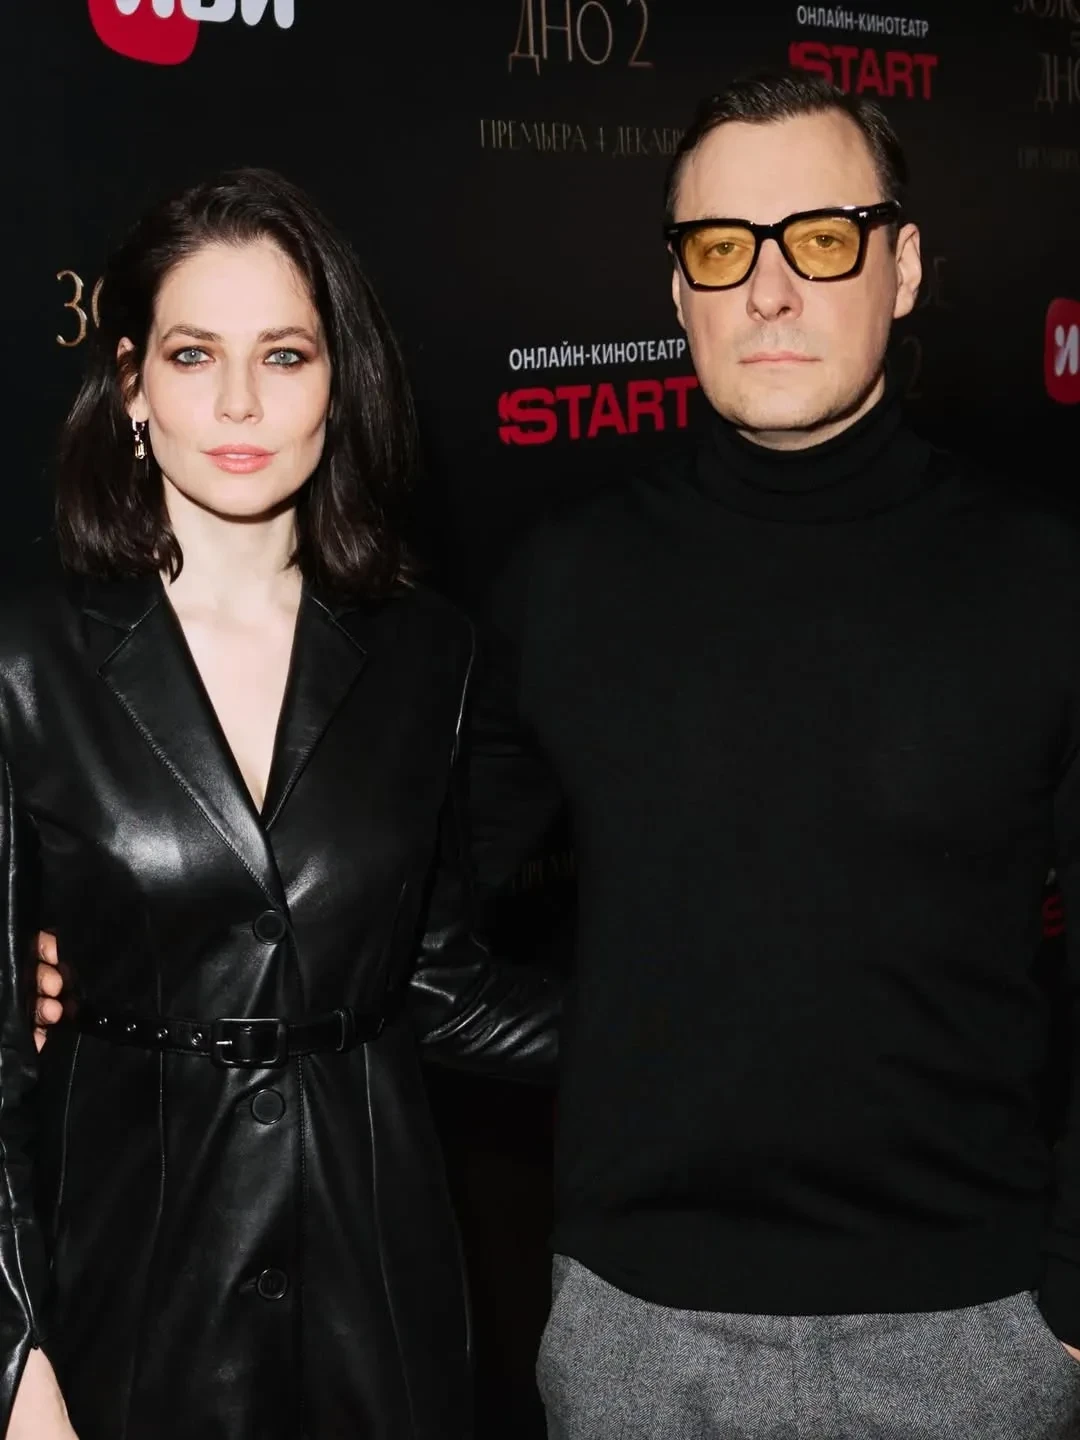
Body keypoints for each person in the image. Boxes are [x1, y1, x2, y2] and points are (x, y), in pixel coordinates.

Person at [36, 73, 1080, 1438]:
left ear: (907, 265)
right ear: (679, 289)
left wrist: (1066, 1303)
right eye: (724, 247)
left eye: (823, 238)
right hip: (638, 1334)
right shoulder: (567, 585)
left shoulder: (1044, 583)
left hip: (975, 1331)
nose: (771, 289)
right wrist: (99, 956)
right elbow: (385, 908)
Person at [5, 167, 557, 1440]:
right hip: (125, 1289)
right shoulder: (26, 662)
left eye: (286, 355)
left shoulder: (428, 653)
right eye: (195, 355)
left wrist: (694, 1045)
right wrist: (16, 1356)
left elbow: (437, 982)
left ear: (339, 383)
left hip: (379, 1286)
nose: (241, 403)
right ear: (132, 383)